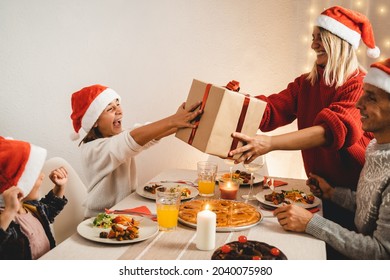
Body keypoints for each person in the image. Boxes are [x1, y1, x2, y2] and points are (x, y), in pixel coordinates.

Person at [229, 6, 380, 230]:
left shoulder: (359, 86)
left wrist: (268, 144)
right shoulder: (307, 83)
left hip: (356, 198)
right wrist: (234, 100)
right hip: (322, 191)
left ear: (339, 42)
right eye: (313, 38)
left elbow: (329, 131)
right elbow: (271, 110)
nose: (313, 45)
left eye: (321, 38)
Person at [272, 58, 390, 260]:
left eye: (371, 98)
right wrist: (332, 193)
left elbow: (381, 253)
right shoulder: (375, 148)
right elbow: (371, 209)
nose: (358, 104)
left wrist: (311, 224)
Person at [70, 84, 202, 218]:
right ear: (94, 122)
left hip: (125, 212)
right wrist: (173, 121)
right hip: (100, 219)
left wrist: (182, 120)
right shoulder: (93, 150)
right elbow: (132, 139)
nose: (119, 111)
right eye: (110, 109)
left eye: (118, 104)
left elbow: (149, 135)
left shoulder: (116, 139)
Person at [0, 137, 68, 260]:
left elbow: (50, 209)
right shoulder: (5, 220)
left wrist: (60, 187)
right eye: (34, 174)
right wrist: (9, 212)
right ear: (17, 185)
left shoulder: (31, 207)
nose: (42, 175)